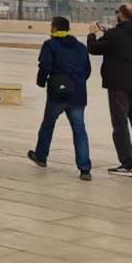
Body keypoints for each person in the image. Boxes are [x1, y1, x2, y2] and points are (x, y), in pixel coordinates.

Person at [28, 16, 92, 180]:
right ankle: (84, 168)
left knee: (48, 125)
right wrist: (76, 82)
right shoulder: (80, 47)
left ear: (55, 28)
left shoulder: (50, 45)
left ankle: (41, 156)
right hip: (78, 93)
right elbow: (87, 70)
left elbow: (45, 66)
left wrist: (41, 82)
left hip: (58, 93)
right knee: (79, 130)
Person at [87, 5, 132, 176]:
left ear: (120, 15)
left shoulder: (114, 35)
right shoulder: (114, 33)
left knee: (120, 125)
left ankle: (127, 163)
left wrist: (92, 34)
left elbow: (94, 49)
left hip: (118, 85)